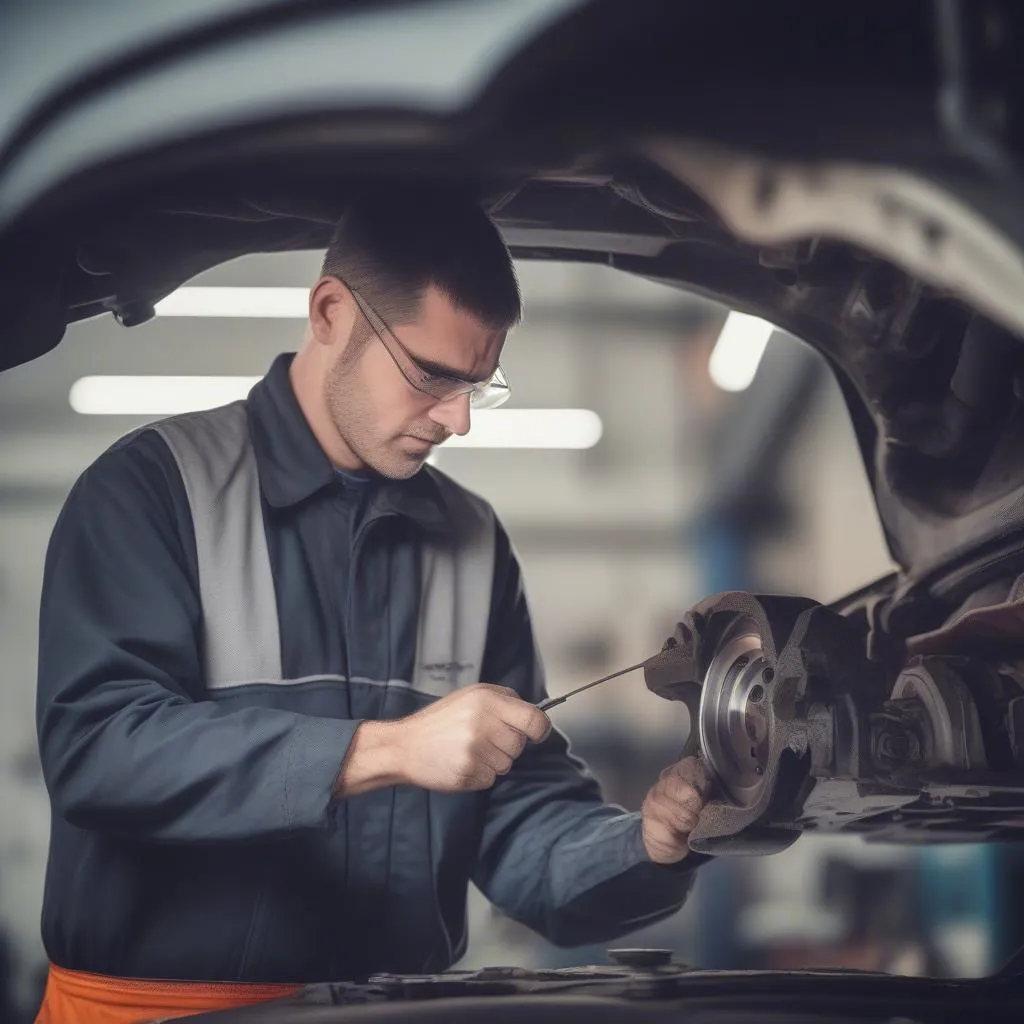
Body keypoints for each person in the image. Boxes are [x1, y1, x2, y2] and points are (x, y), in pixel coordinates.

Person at [34, 187, 710, 1023]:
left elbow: (517, 819)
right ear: (330, 313)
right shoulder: (152, 491)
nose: (458, 420)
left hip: (397, 1011)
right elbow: (98, 752)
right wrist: (380, 750)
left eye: (479, 385)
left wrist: (643, 846)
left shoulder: (472, 538)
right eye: (432, 376)